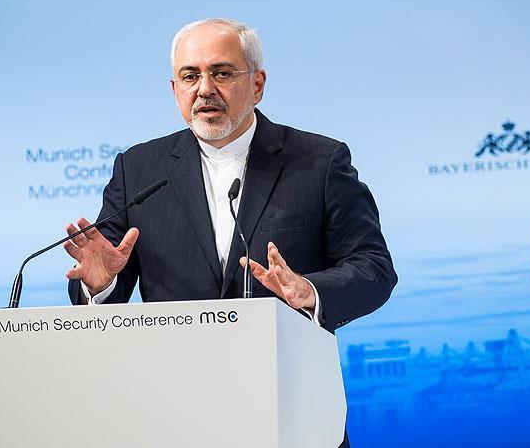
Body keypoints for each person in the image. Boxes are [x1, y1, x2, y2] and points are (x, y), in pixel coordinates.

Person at [64, 18, 396, 334]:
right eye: (190, 76)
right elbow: (106, 277)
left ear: (257, 85)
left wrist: (309, 290)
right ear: (175, 89)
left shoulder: (319, 162)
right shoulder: (137, 169)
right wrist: (100, 284)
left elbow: (373, 267)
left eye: (221, 73)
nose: (204, 89)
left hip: (285, 365)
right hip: (175, 368)